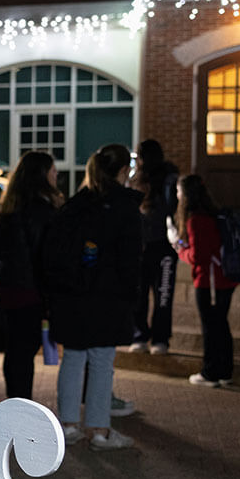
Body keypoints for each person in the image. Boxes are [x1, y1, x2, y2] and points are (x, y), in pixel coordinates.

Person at [44, 144, 142, 450]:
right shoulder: (124, 207)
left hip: (73, 296)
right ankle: (100, 429)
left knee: (73, 359)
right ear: (125, 171)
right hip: (107, 297)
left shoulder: (76, 205)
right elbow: (130, 259)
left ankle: (68, 425)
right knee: (102, 361)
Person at [0, 151, 64, 400]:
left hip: (11, 287)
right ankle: (20, 403)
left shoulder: (11, 208)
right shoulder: (42, 211)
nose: (57, 174)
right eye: (52, 170)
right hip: (30, 289)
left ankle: (17, 398)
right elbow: (46, 258)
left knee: (16, 349)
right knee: (23, 350)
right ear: (42, 175)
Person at [175, 174, 238, 387]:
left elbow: (198, 256)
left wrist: (180, 250)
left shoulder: (196, 220)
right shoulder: (213, 214)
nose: (177, 196)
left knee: (211, 327)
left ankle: (210, 373)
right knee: (221, 325)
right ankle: (225, 370)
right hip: (224, 279)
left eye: (179, 192)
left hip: (209, 282)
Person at [129, 139, 180, 355]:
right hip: (155, 247)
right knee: (158, 296)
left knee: (155, 296)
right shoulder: (144, 180)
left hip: (155, 246)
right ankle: (156, 339)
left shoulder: (164, 180)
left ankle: (146, 337)